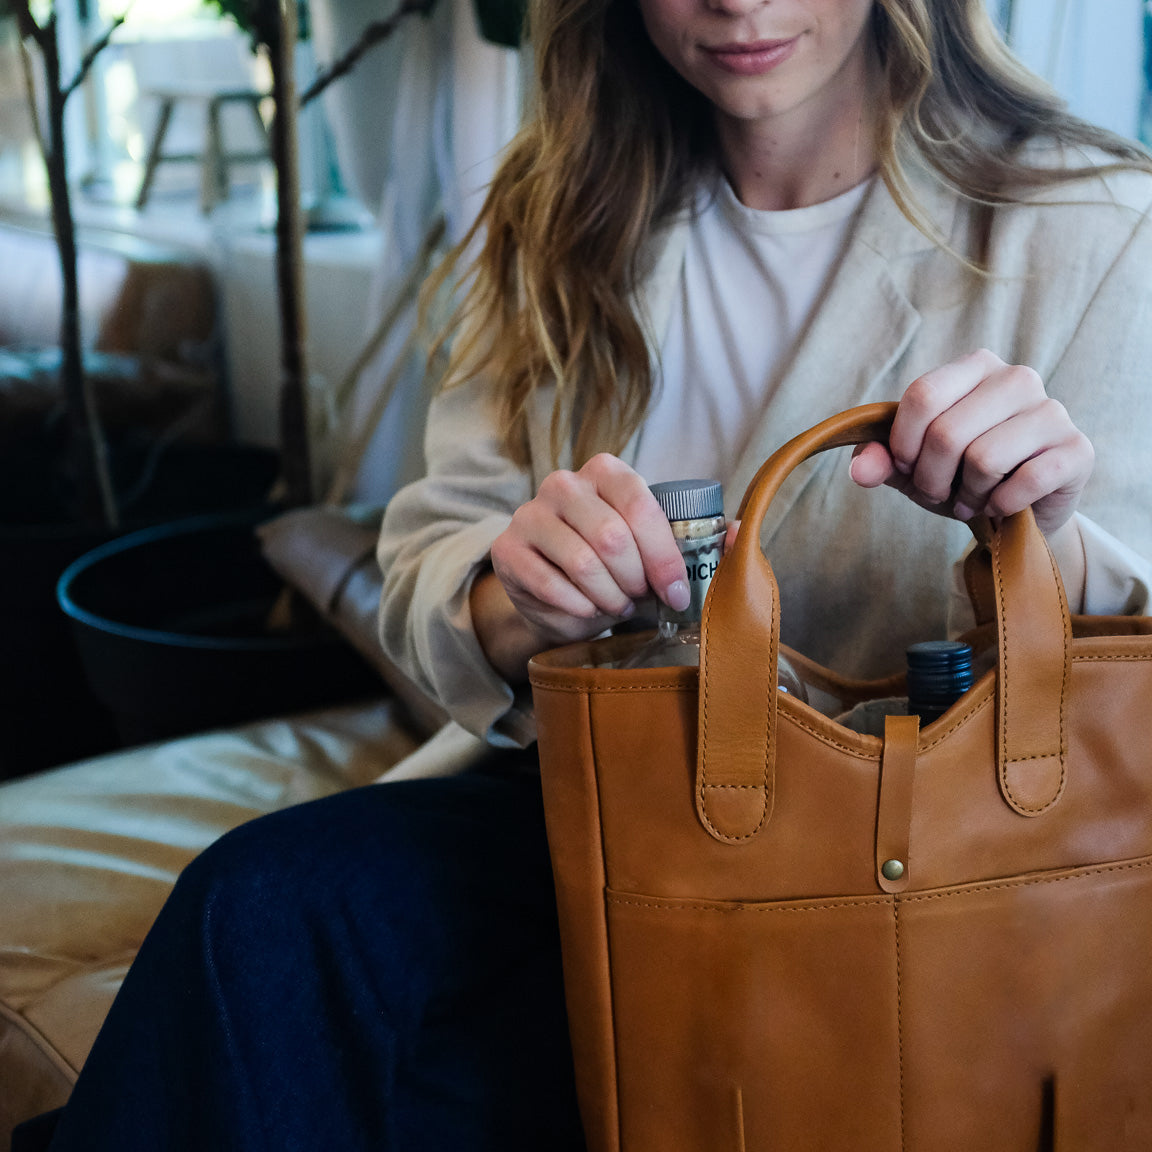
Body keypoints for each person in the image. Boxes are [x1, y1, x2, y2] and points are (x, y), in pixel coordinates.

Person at [26, 1, 1152, 1149]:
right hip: (602, 828)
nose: (737, 2)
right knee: (260, 912)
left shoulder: (1099, 227)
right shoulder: (555, 211)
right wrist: (514, 602)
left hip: (930, 862)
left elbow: (1124, 667)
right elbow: (433, 558)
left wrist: (1042, 529)